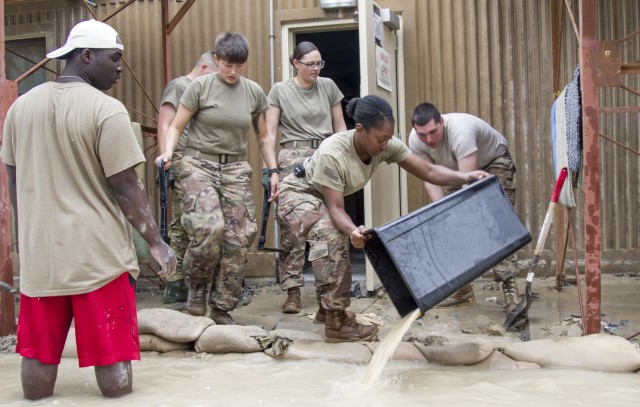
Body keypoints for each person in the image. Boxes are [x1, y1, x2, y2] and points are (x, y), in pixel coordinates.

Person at [0, 20, 177, 400]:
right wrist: (157, 243)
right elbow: (126, 187)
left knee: (36, 357)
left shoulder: (20, 109)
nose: (118, 67)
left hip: (41, 261)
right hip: (99, 261)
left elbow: (14, 185)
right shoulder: (106, 111)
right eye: (114, 58)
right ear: (86, 56)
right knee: (113, 362)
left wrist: (28, 236)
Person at [276, 95, 488, 342]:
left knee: (333, 229)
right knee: (331, 233)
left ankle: (325, 311)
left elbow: (428, 171)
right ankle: (336, 322)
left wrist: (466, 178)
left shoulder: (386, 144)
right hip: (298, 194)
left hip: (322, 198)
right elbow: (335, 208)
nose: (386, 145)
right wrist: (353, 231)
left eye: (389, 137)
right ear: (360, 130)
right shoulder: (333, 152)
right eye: (381, 139)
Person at [155, 32, 279, 325]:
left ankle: (222, 306)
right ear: (217, 60)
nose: (233, 71)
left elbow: (263, 138)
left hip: (235, 169)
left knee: (237, 239)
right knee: (210, 227)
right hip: (198, 164)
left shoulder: (253, 92)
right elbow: (175, 126)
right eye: (227, 65)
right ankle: (196, 289)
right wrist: (168, 152)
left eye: (239, 65)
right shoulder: (199, 87)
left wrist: (272, 171)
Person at [408, 103, 521, 317]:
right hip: (454, 172)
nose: (429, 140)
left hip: (492, 164)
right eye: (423, 135)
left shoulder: (461, 130)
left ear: (442, 121)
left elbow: (469, 192)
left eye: (433, 132)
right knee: (449, 226)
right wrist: (443, 215)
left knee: (493, 225)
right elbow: (430, 177)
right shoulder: (415, 140)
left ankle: (511, 292)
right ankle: (462, 289)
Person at [264, 41, 347, 315]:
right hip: (292, 157)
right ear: (295, 63)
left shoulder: (328, 86)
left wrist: (343, 162)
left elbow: (340, 129)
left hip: (324, 156)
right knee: (293, 229)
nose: (315, 68)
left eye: (319, 63)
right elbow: (270, 135)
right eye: (310, 63)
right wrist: (272, 170)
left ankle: (328, 291)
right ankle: (292, 291)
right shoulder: (280, 90)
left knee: (328, 223)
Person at [156, 51, 217, 304]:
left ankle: (184, 282)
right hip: (180, 158)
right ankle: (176, 282)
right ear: (204, 67)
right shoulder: (180, 85)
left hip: (199, 161)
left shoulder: (204, 91)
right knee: (183, 222)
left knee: (189, 220)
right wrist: (165, 160)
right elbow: (165, 123)